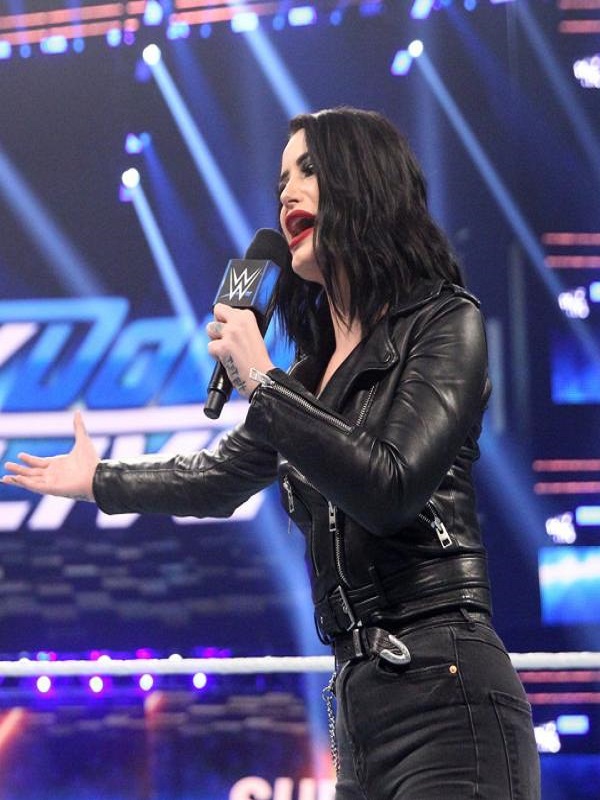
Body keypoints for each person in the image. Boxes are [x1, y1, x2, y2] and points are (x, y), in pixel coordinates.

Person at [2, 107, 540, 799]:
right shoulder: (311, 378)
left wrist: (261, 380)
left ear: (365, 183)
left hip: (448, 691)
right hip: (357, 705)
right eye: (281, 179)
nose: (286, 194)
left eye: (308, 171)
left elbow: (391, 487)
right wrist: (99, 479)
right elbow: (217, 478)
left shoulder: (444, 322)